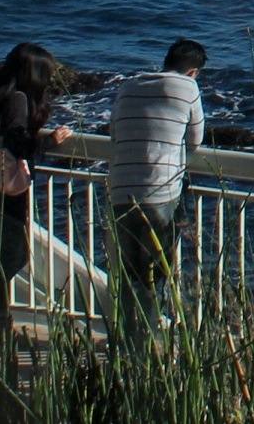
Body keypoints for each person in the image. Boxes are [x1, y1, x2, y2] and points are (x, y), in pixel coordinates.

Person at [0, 42, 73, 340]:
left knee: (2, 257)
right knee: (15, 258)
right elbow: (18, 143)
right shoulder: (18, 99)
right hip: (11, 191)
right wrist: (50, 141)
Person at [107, 38, 208, 339]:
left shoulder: (128, 85)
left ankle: (126, 341)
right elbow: (195, 141)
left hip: (121, 190)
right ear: (193, 72)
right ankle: (147, 343)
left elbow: (114, 134)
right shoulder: (188, 87)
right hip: (160, 192)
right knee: (154, 275)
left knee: (129, 274)